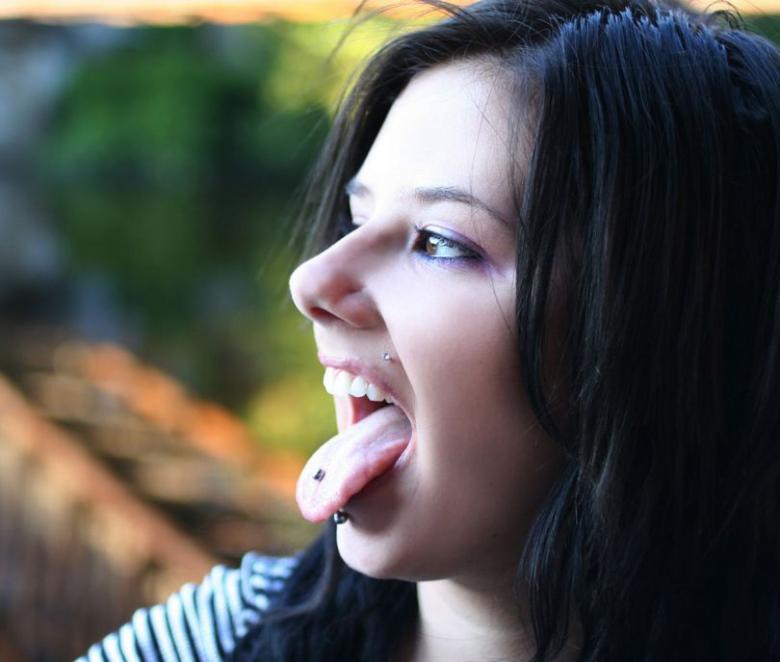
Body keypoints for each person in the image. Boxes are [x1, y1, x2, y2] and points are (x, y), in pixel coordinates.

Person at [78, 0, 780, 660]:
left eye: (441, 242)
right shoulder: (214, 639)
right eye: (357, 219)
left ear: (661, 336)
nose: (311, 282)